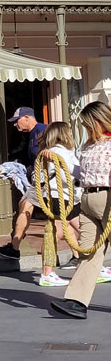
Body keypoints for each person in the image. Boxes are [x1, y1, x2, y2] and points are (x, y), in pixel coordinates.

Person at [51, 101, 111, 319]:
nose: (85, 128)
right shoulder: (87, 146)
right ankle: (77, 301)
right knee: (88, 252)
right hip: (87, 199)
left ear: (98, 121)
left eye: (87, 124)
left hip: (107, 199)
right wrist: (57, 160)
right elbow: (80, 171)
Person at [28, 122, 84, 287]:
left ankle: (89, 265)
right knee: (55, 232)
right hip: (62, 197)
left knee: (83, 229)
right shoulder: (60, 153)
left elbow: (36, 178)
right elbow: (76, 172)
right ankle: (47, 273)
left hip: (62, 197)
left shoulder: (48, 153)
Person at [0, 107, 47, 260]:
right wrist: (21, 171)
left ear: (27, 118)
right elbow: (35, 161)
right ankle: (80, 253)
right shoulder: (31, 135)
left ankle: (14, 248)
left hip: (45, 180)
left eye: (17, 121)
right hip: (39, 178)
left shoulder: (41, 130)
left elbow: (49, 154)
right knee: (65, 218)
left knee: (25, 206)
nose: (15, 125)